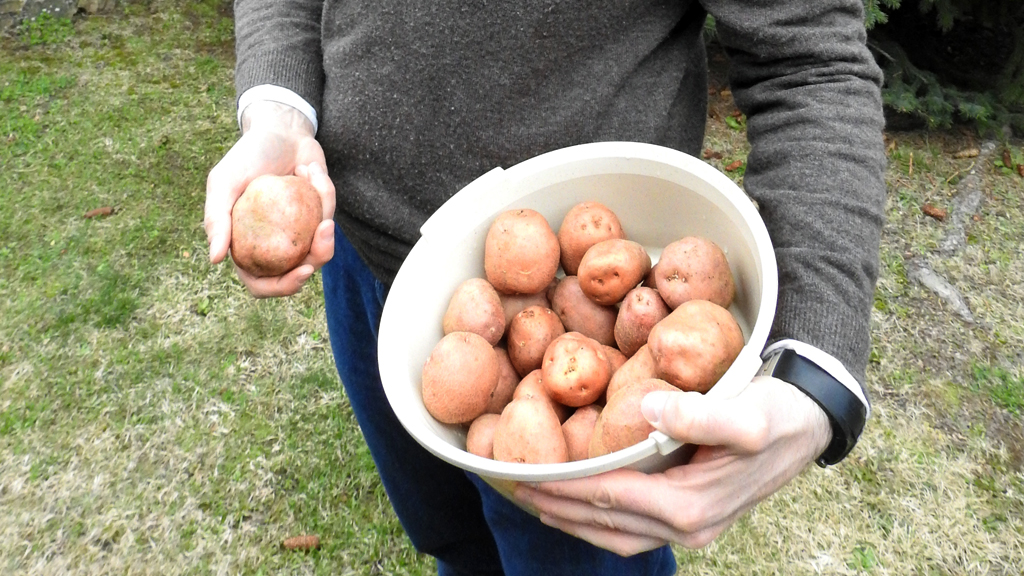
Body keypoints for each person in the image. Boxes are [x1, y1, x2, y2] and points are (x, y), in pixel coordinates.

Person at [205, 1, 886, 574]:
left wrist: (817, 375)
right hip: (364, 264)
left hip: (580, 311)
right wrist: (278, 106)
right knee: (452, 539)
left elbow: (810, 60)